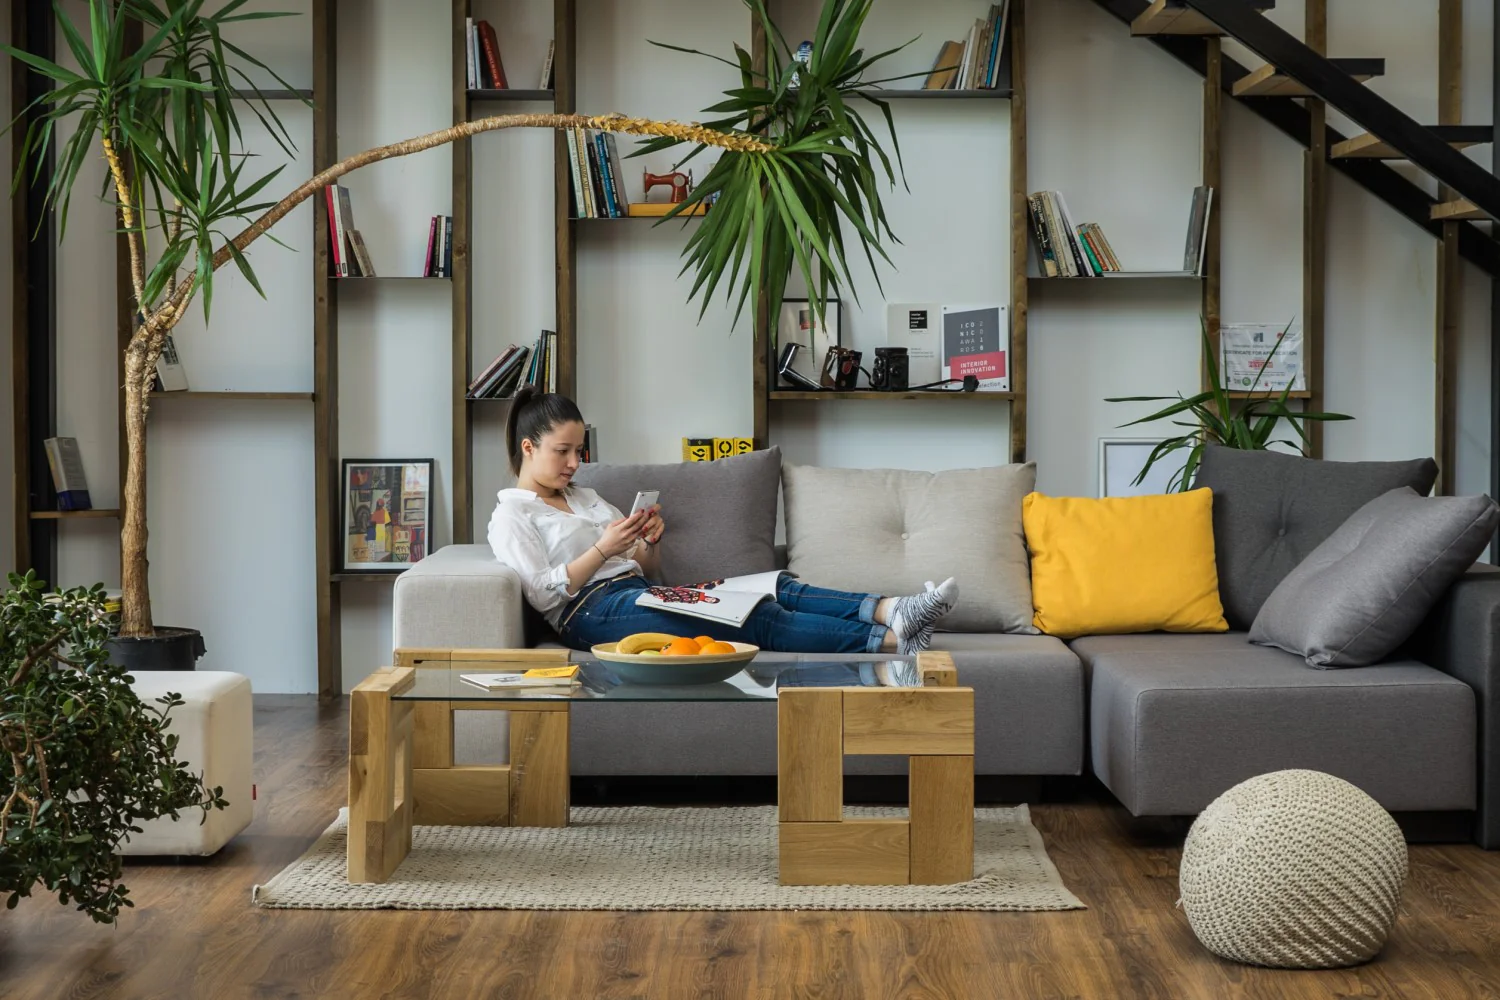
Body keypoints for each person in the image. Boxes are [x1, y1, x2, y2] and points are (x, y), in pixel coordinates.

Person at [487, 386, 959, 655]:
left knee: (776, 585)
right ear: (529, 448)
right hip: (588, 613)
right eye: (562, 451)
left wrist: (645, 542)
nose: (574, 462)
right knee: (755, 615)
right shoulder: (512, 514)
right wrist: (602, 550)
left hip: (635, 590)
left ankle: (894, 608)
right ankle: (895, 640)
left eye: (578, 451)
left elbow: (647, 570)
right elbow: (543, 592)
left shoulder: (585, 497)